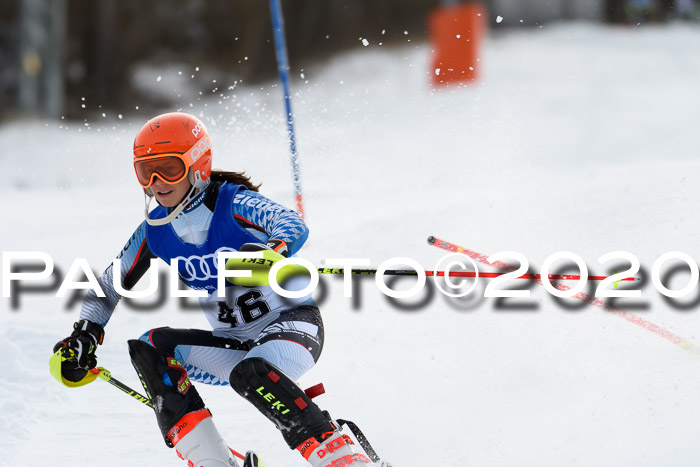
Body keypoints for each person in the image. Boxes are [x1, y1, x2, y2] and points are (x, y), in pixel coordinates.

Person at [53, 112, 376, 467]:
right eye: (147, 171)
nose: (157, 182)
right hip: (236, 341)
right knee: (150, 348)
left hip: (293, 326)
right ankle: (214, 462)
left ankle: (343, 457)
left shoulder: (233, 203)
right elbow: (108, 285)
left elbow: (290, 223)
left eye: (168, 169)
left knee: (252, 372)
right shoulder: (154, 231)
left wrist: (274, 250)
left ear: (197, 166)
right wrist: (86, 332)